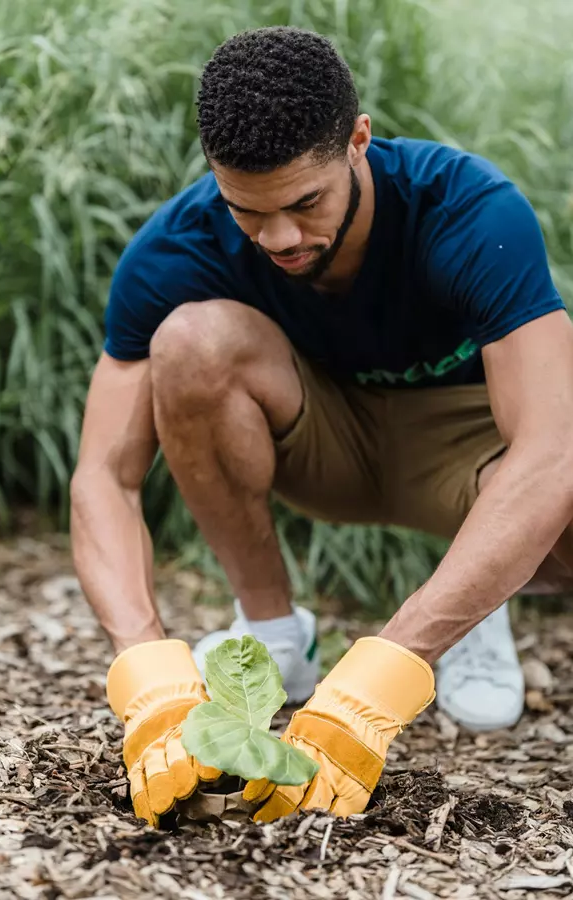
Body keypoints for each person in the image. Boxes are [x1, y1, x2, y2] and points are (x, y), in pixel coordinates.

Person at [70, 26, 573, 827]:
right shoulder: (175, 248)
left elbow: (552, 452)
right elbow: (103, 474)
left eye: (305, 204)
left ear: (358, 141)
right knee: (190, 343)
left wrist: (385, 671)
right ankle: (272, 635)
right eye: (248, 211)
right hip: (319, 439)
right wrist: (147, 673)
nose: (279, 239)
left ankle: (475, 602)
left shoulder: (470, 210)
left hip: (470, 452)